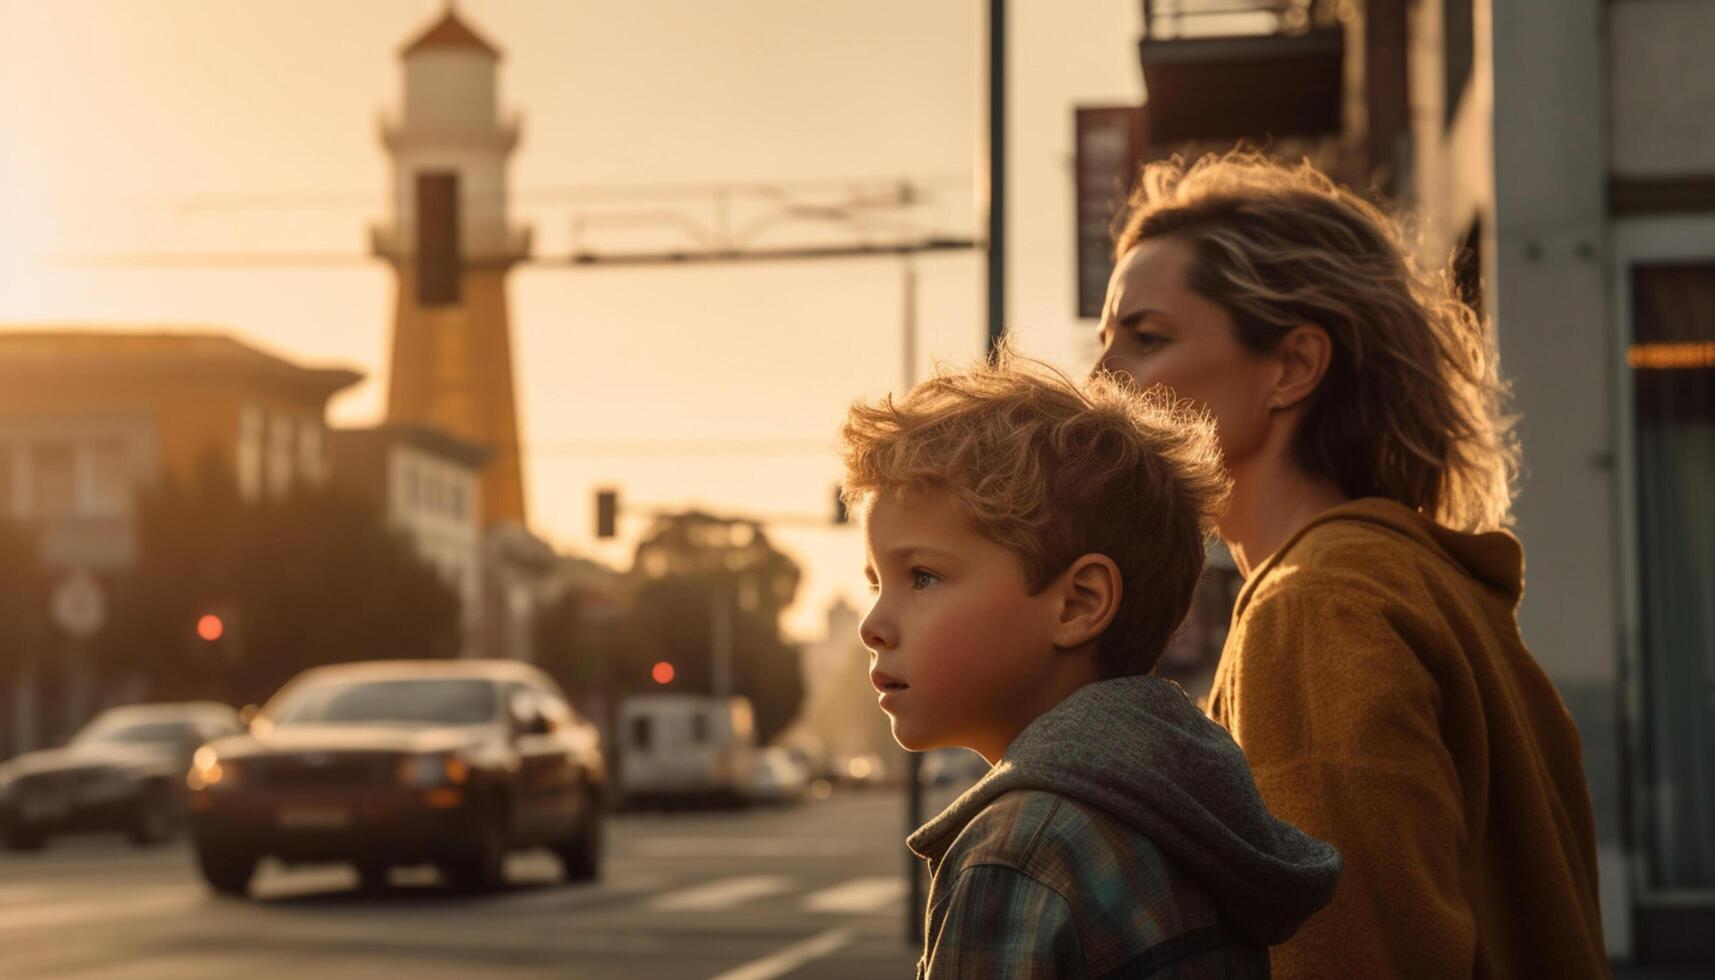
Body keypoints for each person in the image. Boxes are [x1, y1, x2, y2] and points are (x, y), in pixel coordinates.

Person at [1093, 152, 1609, 978]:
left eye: (1145, 338)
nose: (1100, 378)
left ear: (1292, 366)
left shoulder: (1315, 609)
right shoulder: (1420, 582)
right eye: (1105, 340)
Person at [839, 355, 1340, 978]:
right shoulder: (1182, 806)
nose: (872, 625)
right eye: (874, 584)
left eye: (922, 576)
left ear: (1079, 603)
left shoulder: (1022, 849)